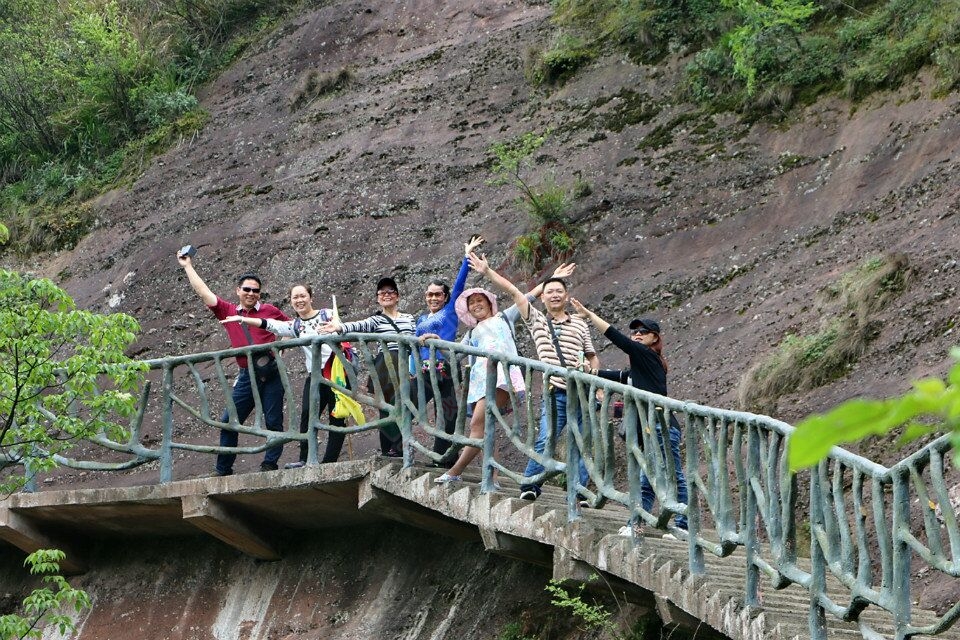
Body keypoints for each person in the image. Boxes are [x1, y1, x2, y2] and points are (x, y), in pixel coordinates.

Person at [464, 253, 599, 502]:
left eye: (560, 291)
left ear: (567, 296)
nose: (555, 295)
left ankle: (579, 491)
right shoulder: (536, 320)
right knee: (546, 439)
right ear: (543, 297)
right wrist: (487, 272)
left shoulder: (580, 324)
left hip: (582, 389)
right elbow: (515, 291)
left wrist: (595, 376)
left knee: (583, 443)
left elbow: (591, 356)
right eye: (550, 291)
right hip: (555, 390)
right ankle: (531, 484)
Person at [569, 299, 688, 536]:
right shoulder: (641, 365)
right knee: (649, 478)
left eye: (643, 332)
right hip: (648, 428)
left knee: (672, 477)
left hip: (662, 427)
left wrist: (590, 315)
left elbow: (617, 338)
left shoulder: (646, 354)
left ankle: (683, 527)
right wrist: (591, 372)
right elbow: (622, 376)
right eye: (634, 331)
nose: (636, 335)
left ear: (654, 338)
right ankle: (638, 524)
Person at [177, 251, 289, 475]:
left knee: (274, 421)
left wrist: (281, 346)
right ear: (238, 291)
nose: (250, 293)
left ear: (260, 293)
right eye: (246, 289)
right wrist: (187, 266)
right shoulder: (228, 311)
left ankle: (269, 464)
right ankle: (223, 469)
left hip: (272, 371)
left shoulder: (270, 311)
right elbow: (204, 293)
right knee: (229, 421)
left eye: (255, 290)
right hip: (247, 374)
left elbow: (291, 327)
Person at [222, 284, 351, 468]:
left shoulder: (327, 314)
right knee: (308, 415)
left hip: (337, 371)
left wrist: (337, 329)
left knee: (336, 417)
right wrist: (243, 319)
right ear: (291, 301)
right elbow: (272, 325)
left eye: (303, 296)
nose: (299, 300)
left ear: (310, 297)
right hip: (315, 375)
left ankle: (329, 462)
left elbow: (343, 331)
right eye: (295, 297)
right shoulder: (295, 325)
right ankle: (305, 459)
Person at [434, 286, 526, 484]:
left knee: (477, 425)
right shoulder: (472, 333)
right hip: (479, 381)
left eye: (479, 300)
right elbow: (455, 356)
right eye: (472, 302)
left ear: (489, 302)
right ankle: (492, 477)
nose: (476, 305)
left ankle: (455, 471)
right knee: (486, 427)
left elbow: (523, 299)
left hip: (501, 376)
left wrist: (548, 283)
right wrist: (437, 342)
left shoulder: (503, 318)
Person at [320, 277, 415, 456]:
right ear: (378, 298)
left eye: (391, 292)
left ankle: (399, 447)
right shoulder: (376, 320)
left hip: (404, 363)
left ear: (398, 296)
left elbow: (415, 341)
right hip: (386, 365)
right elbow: (358, 325)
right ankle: (391, 449)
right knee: (387, 407)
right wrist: (339, 327)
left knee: (403, 405)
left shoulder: (409, 318)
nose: (387, 295)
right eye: (382, 293)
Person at [414, 235, 484, 464]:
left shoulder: (450, 313)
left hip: (444, 368)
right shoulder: (422, 318)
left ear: (445, 297)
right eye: (429, 294)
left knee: (448, 414)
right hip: (423, 371)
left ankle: (443, 459)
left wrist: (466, 256)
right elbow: (414, 347)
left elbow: (459, 285)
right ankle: (398, 452)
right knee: (408, 408)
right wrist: (412, 369)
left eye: (437, 294)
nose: (433, 297)